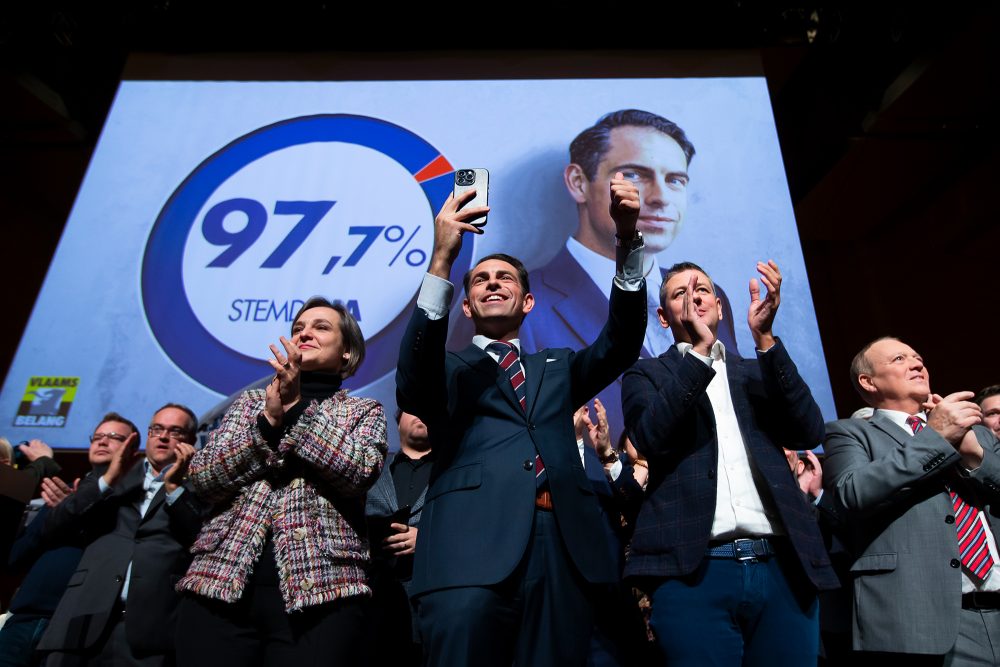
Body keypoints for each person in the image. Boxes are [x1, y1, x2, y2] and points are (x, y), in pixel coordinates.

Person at [396, 173, 646, 666]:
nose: (492, 283)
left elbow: (620, 341)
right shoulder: (446, 369)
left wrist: (626, 237)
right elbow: (412, 383)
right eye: (480, 280)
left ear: (527, 302)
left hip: (561, 544)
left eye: (504, 278)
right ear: (465, 305)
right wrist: (443, 259)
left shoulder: (558, 366)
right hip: (469, 549)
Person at [621, 260, 837, 666]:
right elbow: (649, 438)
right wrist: (699, 355)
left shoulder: (756, 370)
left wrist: (766, 338)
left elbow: (808, 430)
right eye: (679, 293)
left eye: (701, 288)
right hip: (694, 571)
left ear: (719, 307)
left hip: (781, 566)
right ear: (664, 318)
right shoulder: (646, 374)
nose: (694, 296)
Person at [175, 298, 387, 666]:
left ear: (347, 352)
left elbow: (358, 472)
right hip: (219, 587)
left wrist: (297, 409)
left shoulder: (363, 412)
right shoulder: (249, 405)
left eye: (321, 327)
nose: (305, 332)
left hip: (322, 596)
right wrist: (267, 424)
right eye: (298, 328)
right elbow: (203, 478)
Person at [519, 109, 742, 443]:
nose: (661, 197)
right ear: (578, 182)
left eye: (675, 180)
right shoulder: (525, 300)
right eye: (635, 175)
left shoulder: (707, 294)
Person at [823, 337, 1000, 662]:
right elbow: (852, 493)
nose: (917, 364)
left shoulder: (975, 431)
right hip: (921, 623)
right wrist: (935, 438)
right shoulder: (849, 433)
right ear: (868, 381)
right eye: (900, 359)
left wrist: (973, 451)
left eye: (918, 358)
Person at [36, 403, 203, 666]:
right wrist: (109, 479)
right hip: (82, 618)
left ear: (191, 441)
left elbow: (201, 538)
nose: (163, 436)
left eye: (175, 431)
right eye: (156, 429)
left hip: (148, 629)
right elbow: (53, 528)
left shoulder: (201, 486)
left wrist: (174, 489)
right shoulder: (111, 476)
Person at [0, 414, 136, 667]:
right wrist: (60, 513)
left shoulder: (132, 499)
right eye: (98, 437)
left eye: (114, 437)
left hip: (72, 624)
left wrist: (73, 511)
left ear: (131, 447)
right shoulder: (61, 495)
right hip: (23, 618)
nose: (103, 441)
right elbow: (15, 557)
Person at [366, 409, 433, 666]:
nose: (420, 413)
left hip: (427, 604)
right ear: (398, 420)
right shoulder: (370, 468)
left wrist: (427, 540)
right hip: (373, 604)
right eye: (411, 408)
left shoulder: (451, 472)